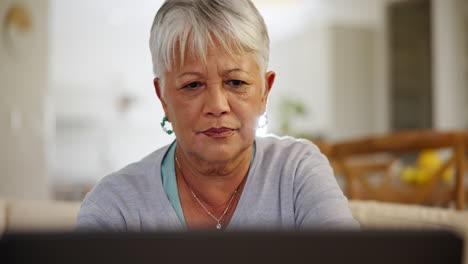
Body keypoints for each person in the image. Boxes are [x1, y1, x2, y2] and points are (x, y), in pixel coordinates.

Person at [76, 0, 359, 231]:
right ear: (163, 97)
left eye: (236, 83)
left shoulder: (298, 172)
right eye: (192, 85)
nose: (217, 105)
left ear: (264, 92)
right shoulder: (115, 205)